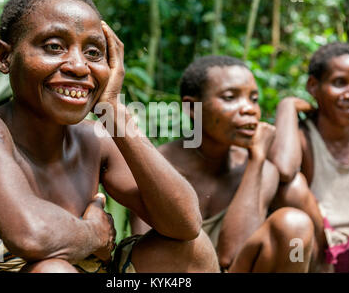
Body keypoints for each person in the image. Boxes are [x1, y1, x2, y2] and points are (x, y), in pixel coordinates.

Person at [0, 0, 219, 273]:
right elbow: (30, 235)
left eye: (94, 52)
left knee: (193, 251)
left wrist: (113, 112)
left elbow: (185, 224)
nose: (79, 67)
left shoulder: (95, 140)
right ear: (4, 57)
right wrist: (94, 233)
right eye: (54, 47)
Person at [131, 55, 315, 272]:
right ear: (192, 108)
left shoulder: (259, 166)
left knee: (295, 225)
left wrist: (256, 161)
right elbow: (143, 257)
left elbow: (231, 256)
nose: (249, 109)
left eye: (253, 99)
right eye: (230, 97)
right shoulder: (155, 165)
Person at [269, 42, 349, 273]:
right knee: (291, 189)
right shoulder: (304, 140)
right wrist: (286, 106)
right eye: (339, 83)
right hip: (321, 258)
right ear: (313, 86)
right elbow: (284, 169)